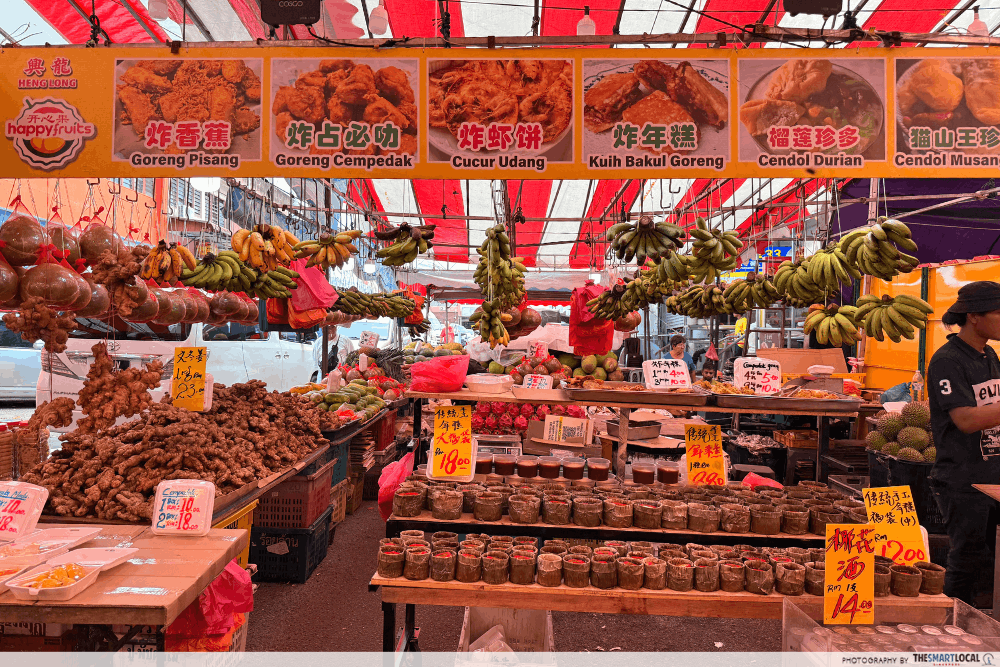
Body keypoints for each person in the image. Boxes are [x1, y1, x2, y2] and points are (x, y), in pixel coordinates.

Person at [927, 281, 1000, 604]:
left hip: (992, 475)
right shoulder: (948, 360)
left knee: (989, 560)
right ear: (974, 316)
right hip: (961, 478)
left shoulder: (989, 355)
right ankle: (949, 631)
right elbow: (966, 420)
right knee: (967, 556)